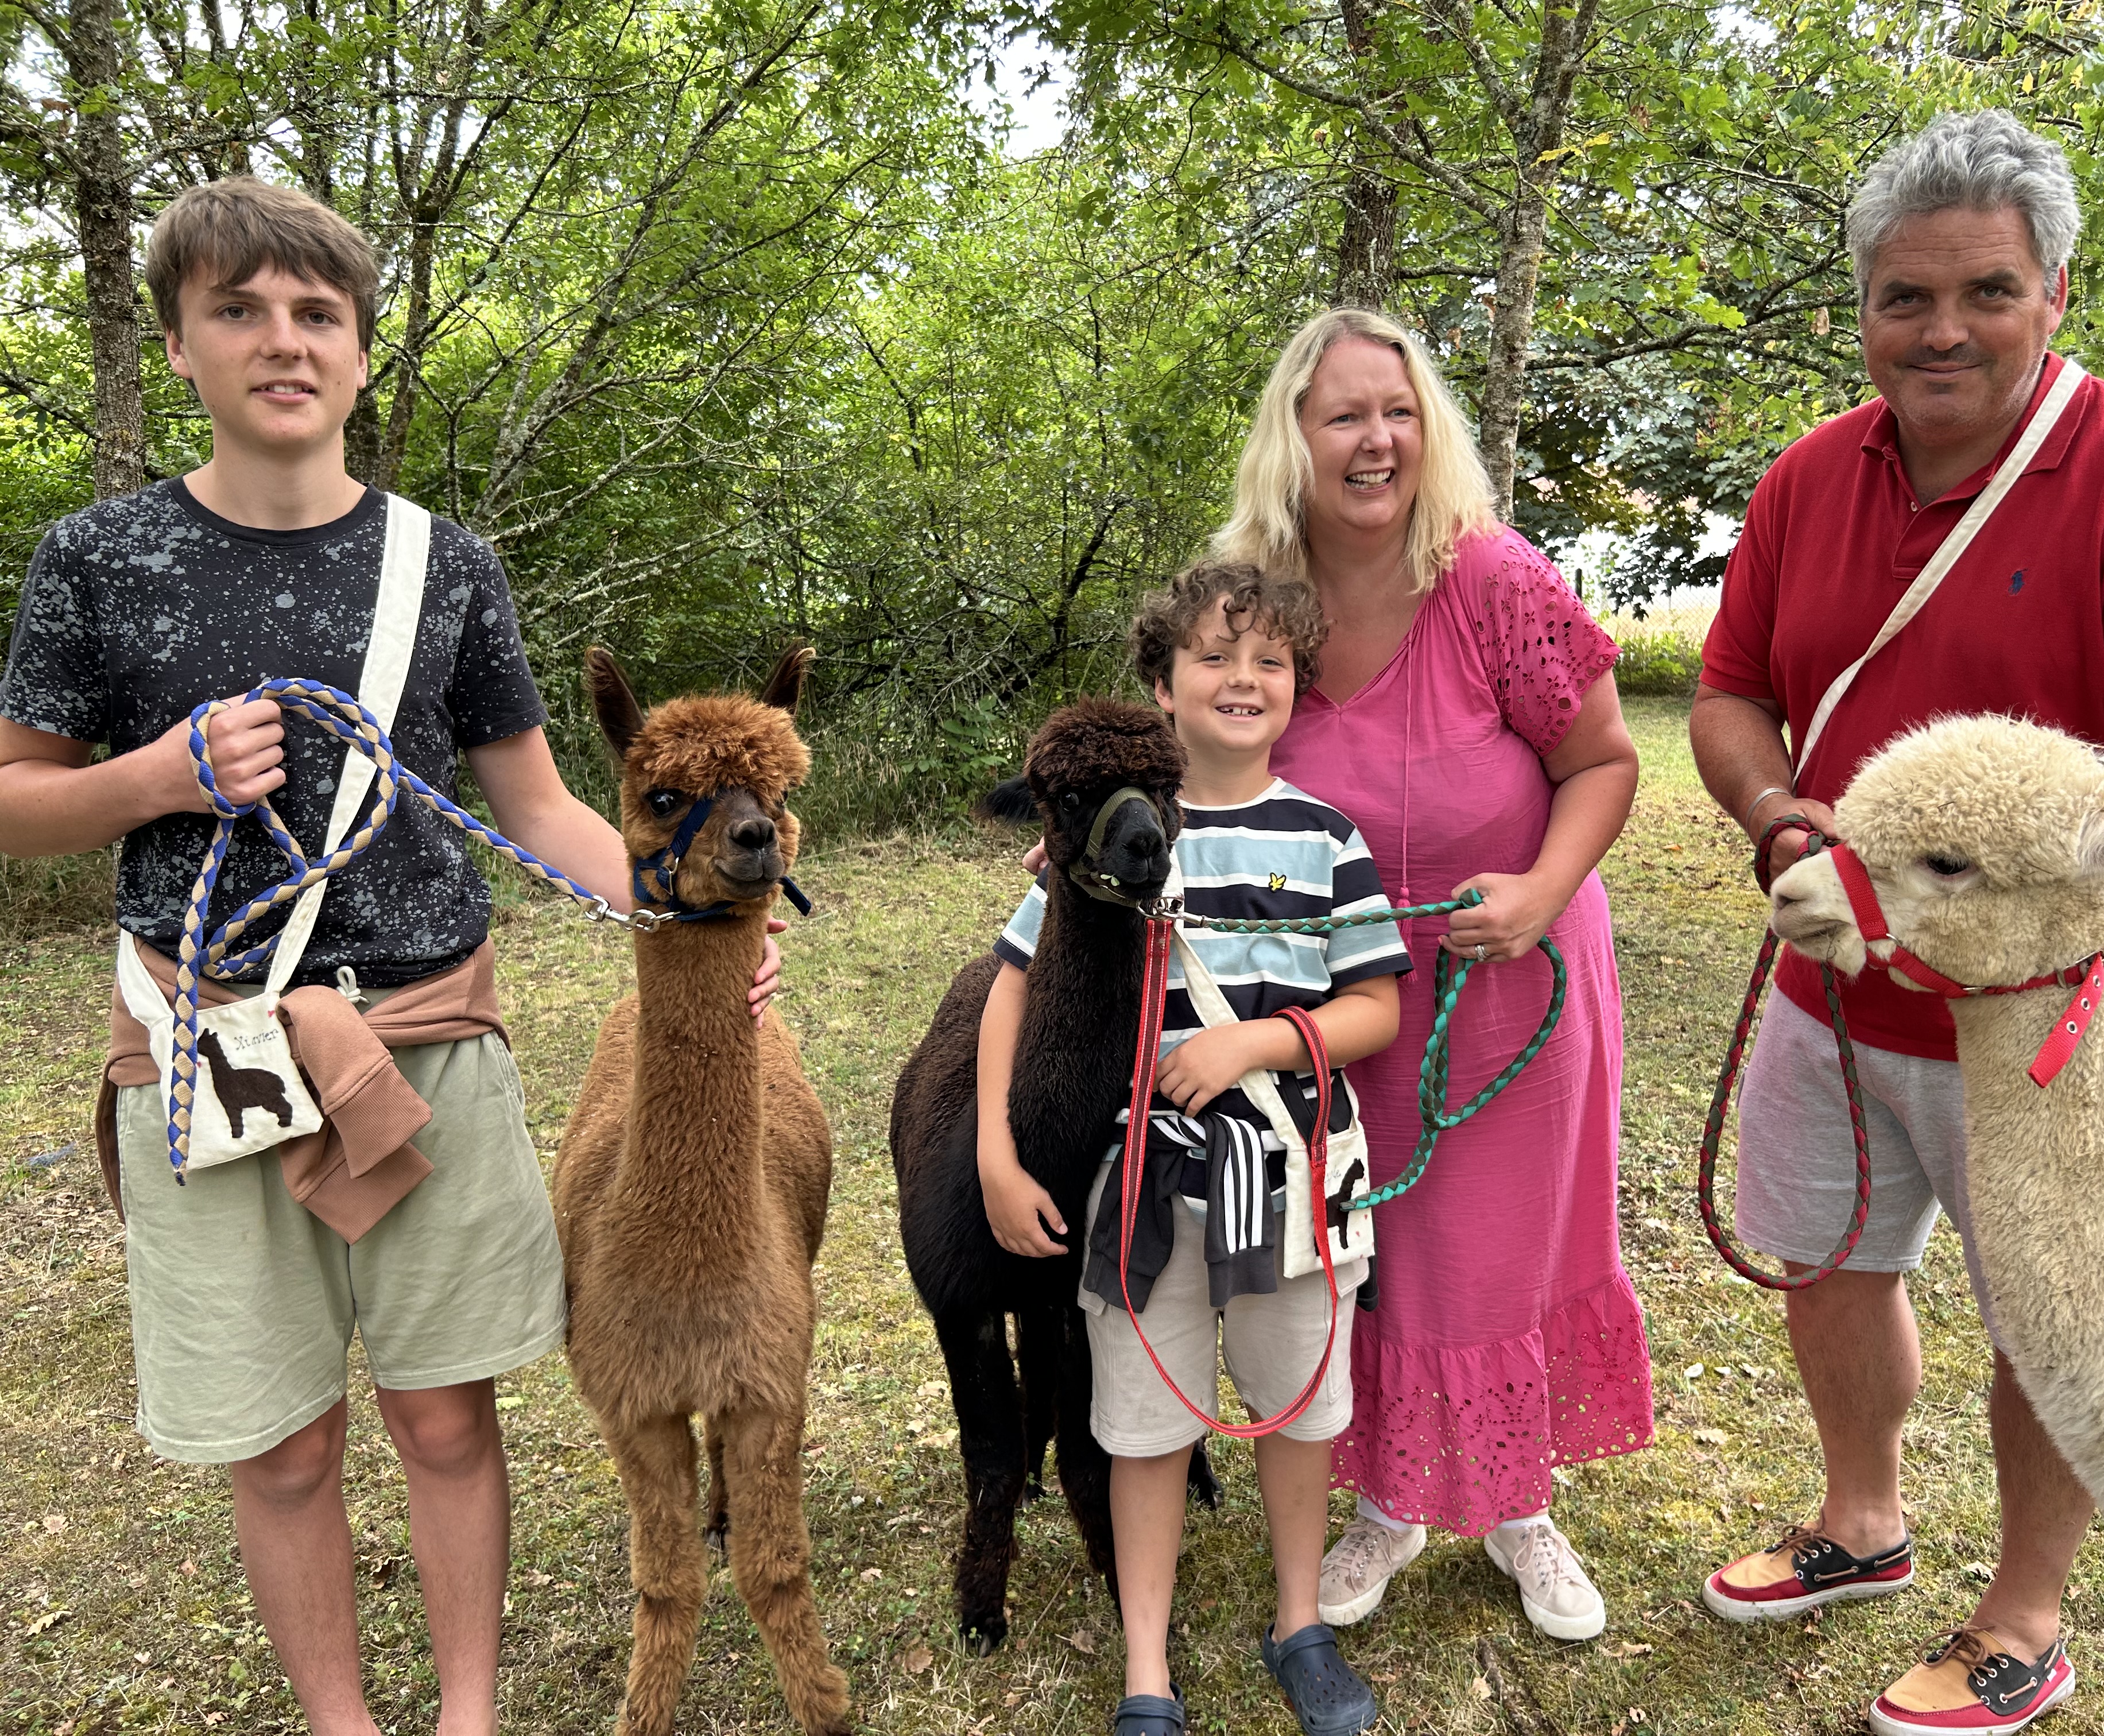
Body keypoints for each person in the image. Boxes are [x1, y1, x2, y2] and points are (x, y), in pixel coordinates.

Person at [0, 179, 784, 1735]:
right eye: (238, 310)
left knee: (443, 1417)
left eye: (317, 314)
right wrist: (156, 778)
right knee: (284, 1445)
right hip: (212, 1050)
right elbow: (18, 800)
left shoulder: (447, 564)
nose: (282, 342)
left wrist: (688, 925)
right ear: (180, 345)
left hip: (427, 1040)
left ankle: (468, 1716)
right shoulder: (99, 559)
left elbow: (540, 804)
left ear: (361, 351)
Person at [1688, 111, 2104, 1736]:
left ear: (2054, 294)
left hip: (2051, 1016)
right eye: (1907, 296)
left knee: (2067, 1302)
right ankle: (1862, 1519)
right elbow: (1733, 694)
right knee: (1830, 1259)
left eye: (1986, 291)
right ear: (1864, 309)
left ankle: (2025, 1613)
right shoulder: (1810, 479)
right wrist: (1781, 821)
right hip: (1840, 981)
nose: (1942, 330)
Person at [1210, 308, 1650, 1641]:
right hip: (1336, 1002)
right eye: (1344, 415)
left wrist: (1540, 892)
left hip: (1502, 978)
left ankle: (1521, 1507)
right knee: (1371, 1252)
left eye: (1398, 413)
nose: (1377, 441)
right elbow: (1202, 768)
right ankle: (1391, 1502)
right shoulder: (1252, 601)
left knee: (1500, 1252)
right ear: (1294, 437)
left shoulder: (1495, 578)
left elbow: (1604, 759)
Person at [976, 561, 1411, 1736]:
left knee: (1299, 1410)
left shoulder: (1325, 839)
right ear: (1161, 687)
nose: (1243, 678)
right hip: (1143, 1193)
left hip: (1291, 1180)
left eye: (1271, 660)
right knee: (1145, 1424)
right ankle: (1146, 1668)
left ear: (1298, 685)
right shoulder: (1103, 839)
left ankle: (1300, 1623)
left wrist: (1254, 1044)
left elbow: (1375, 1005)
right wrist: (996, 1154)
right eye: (1214, 657)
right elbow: (1011, 986)